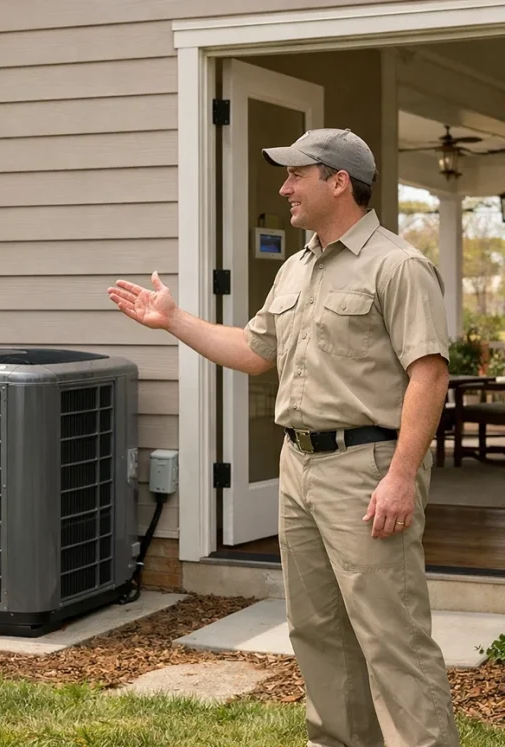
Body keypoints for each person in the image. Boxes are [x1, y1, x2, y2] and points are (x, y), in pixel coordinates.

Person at [108, 129, 459, 747]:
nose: (284, 187)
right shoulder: (297, 268)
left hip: (368, 467)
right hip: (299, 465)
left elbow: (428, 374)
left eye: (297, 174)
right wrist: (173, 320)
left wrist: (401, 475)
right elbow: (253, 350)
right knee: (317, 629)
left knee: (391, 635)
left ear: (338, 182)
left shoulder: (397, 265)